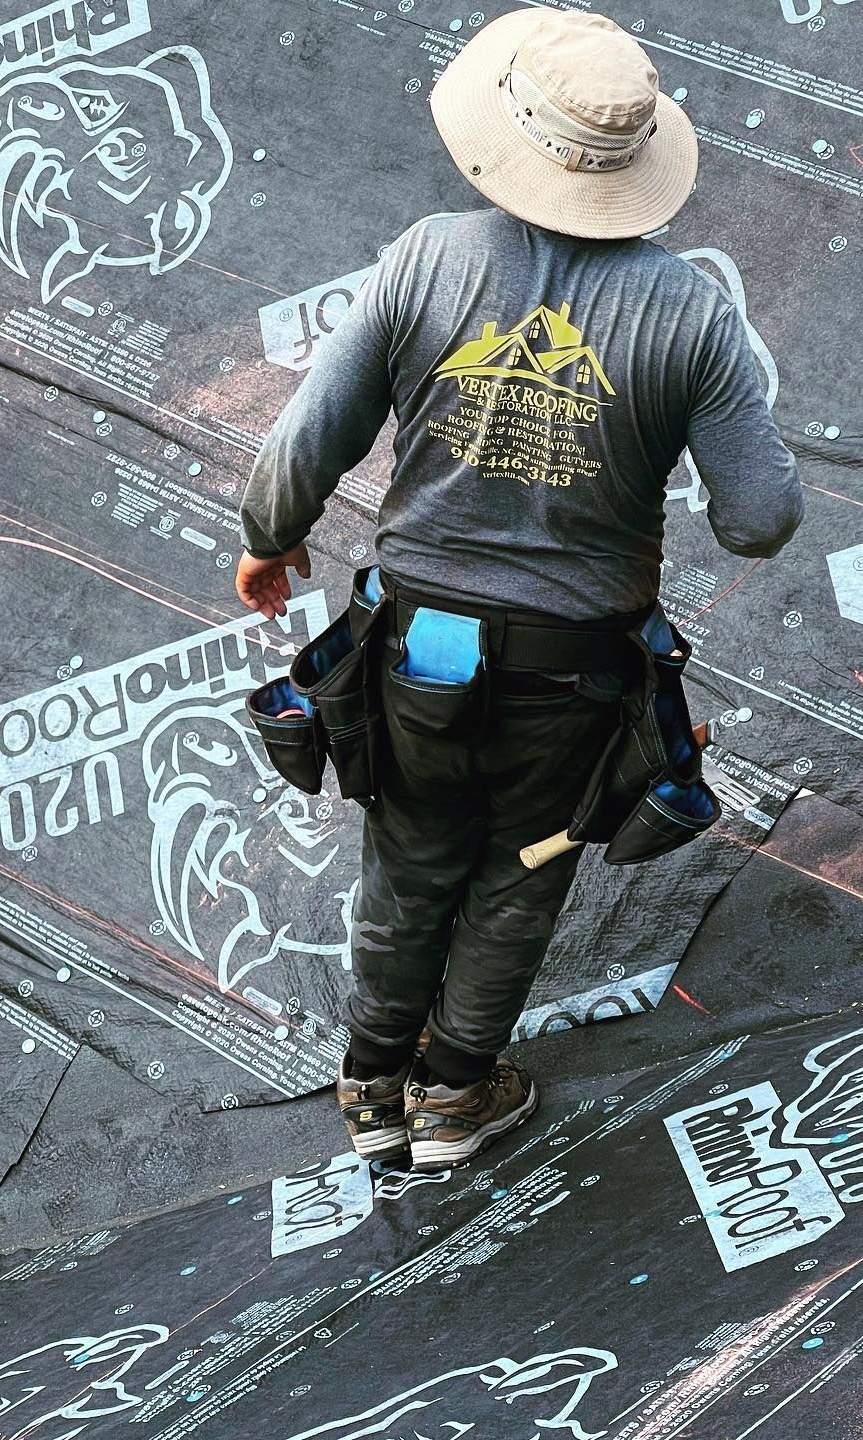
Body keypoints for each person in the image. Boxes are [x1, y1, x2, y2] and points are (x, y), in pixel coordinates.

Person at [235, 9, 801, 1172]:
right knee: (523, 870)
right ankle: (453, 1099)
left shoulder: (429, 257)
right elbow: (760, 519)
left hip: (413, 659)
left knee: (410, 856)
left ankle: (372, 1086)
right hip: (573, 682)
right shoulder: (690, 312)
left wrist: (268, 539)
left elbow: (304, 444)